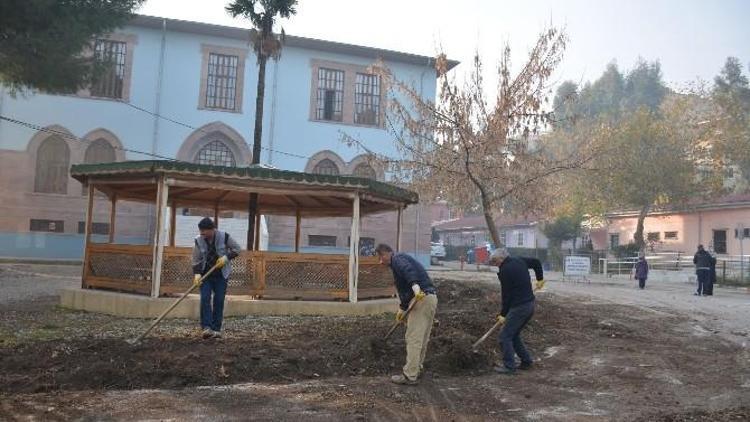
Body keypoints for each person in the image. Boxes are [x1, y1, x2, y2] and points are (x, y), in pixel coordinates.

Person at [375, 243, 438, 385]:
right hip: (430, 297)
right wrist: (402, 309)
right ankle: (417, 369)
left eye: (380, 257)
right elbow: (405, 290)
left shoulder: (397, 259)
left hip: (421, 297)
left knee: (413, 337)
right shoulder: (399, 262)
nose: (380, 261)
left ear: (386, 253)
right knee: (422, 337)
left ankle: (410, 375)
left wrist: (416, 288)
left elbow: (409, 272)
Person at [488, 248, 544, 374]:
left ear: (502, 258)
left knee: (504, 336)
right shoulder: (519, 260)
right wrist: (540, 279)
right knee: (514, 335)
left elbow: (507, 296)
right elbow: (536, 262)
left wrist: (503, 314)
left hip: (519, 307)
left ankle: (509, 367)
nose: (496, 264)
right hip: (529, 305)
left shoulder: (504, 271)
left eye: (496, 261)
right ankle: (526, 361)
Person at [191, 217, 241, 339]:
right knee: (205, 299)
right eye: (201, 231)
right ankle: (206, 328)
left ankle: (216, 329)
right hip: (205, 276)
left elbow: (237, 249)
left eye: (204, 231)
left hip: (221, 275)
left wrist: (226, 258)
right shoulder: (199, 240)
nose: (202, 234)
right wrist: (197, 274)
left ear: (212, 229)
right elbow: (196, 259)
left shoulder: (224, 237)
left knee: (219, 301)